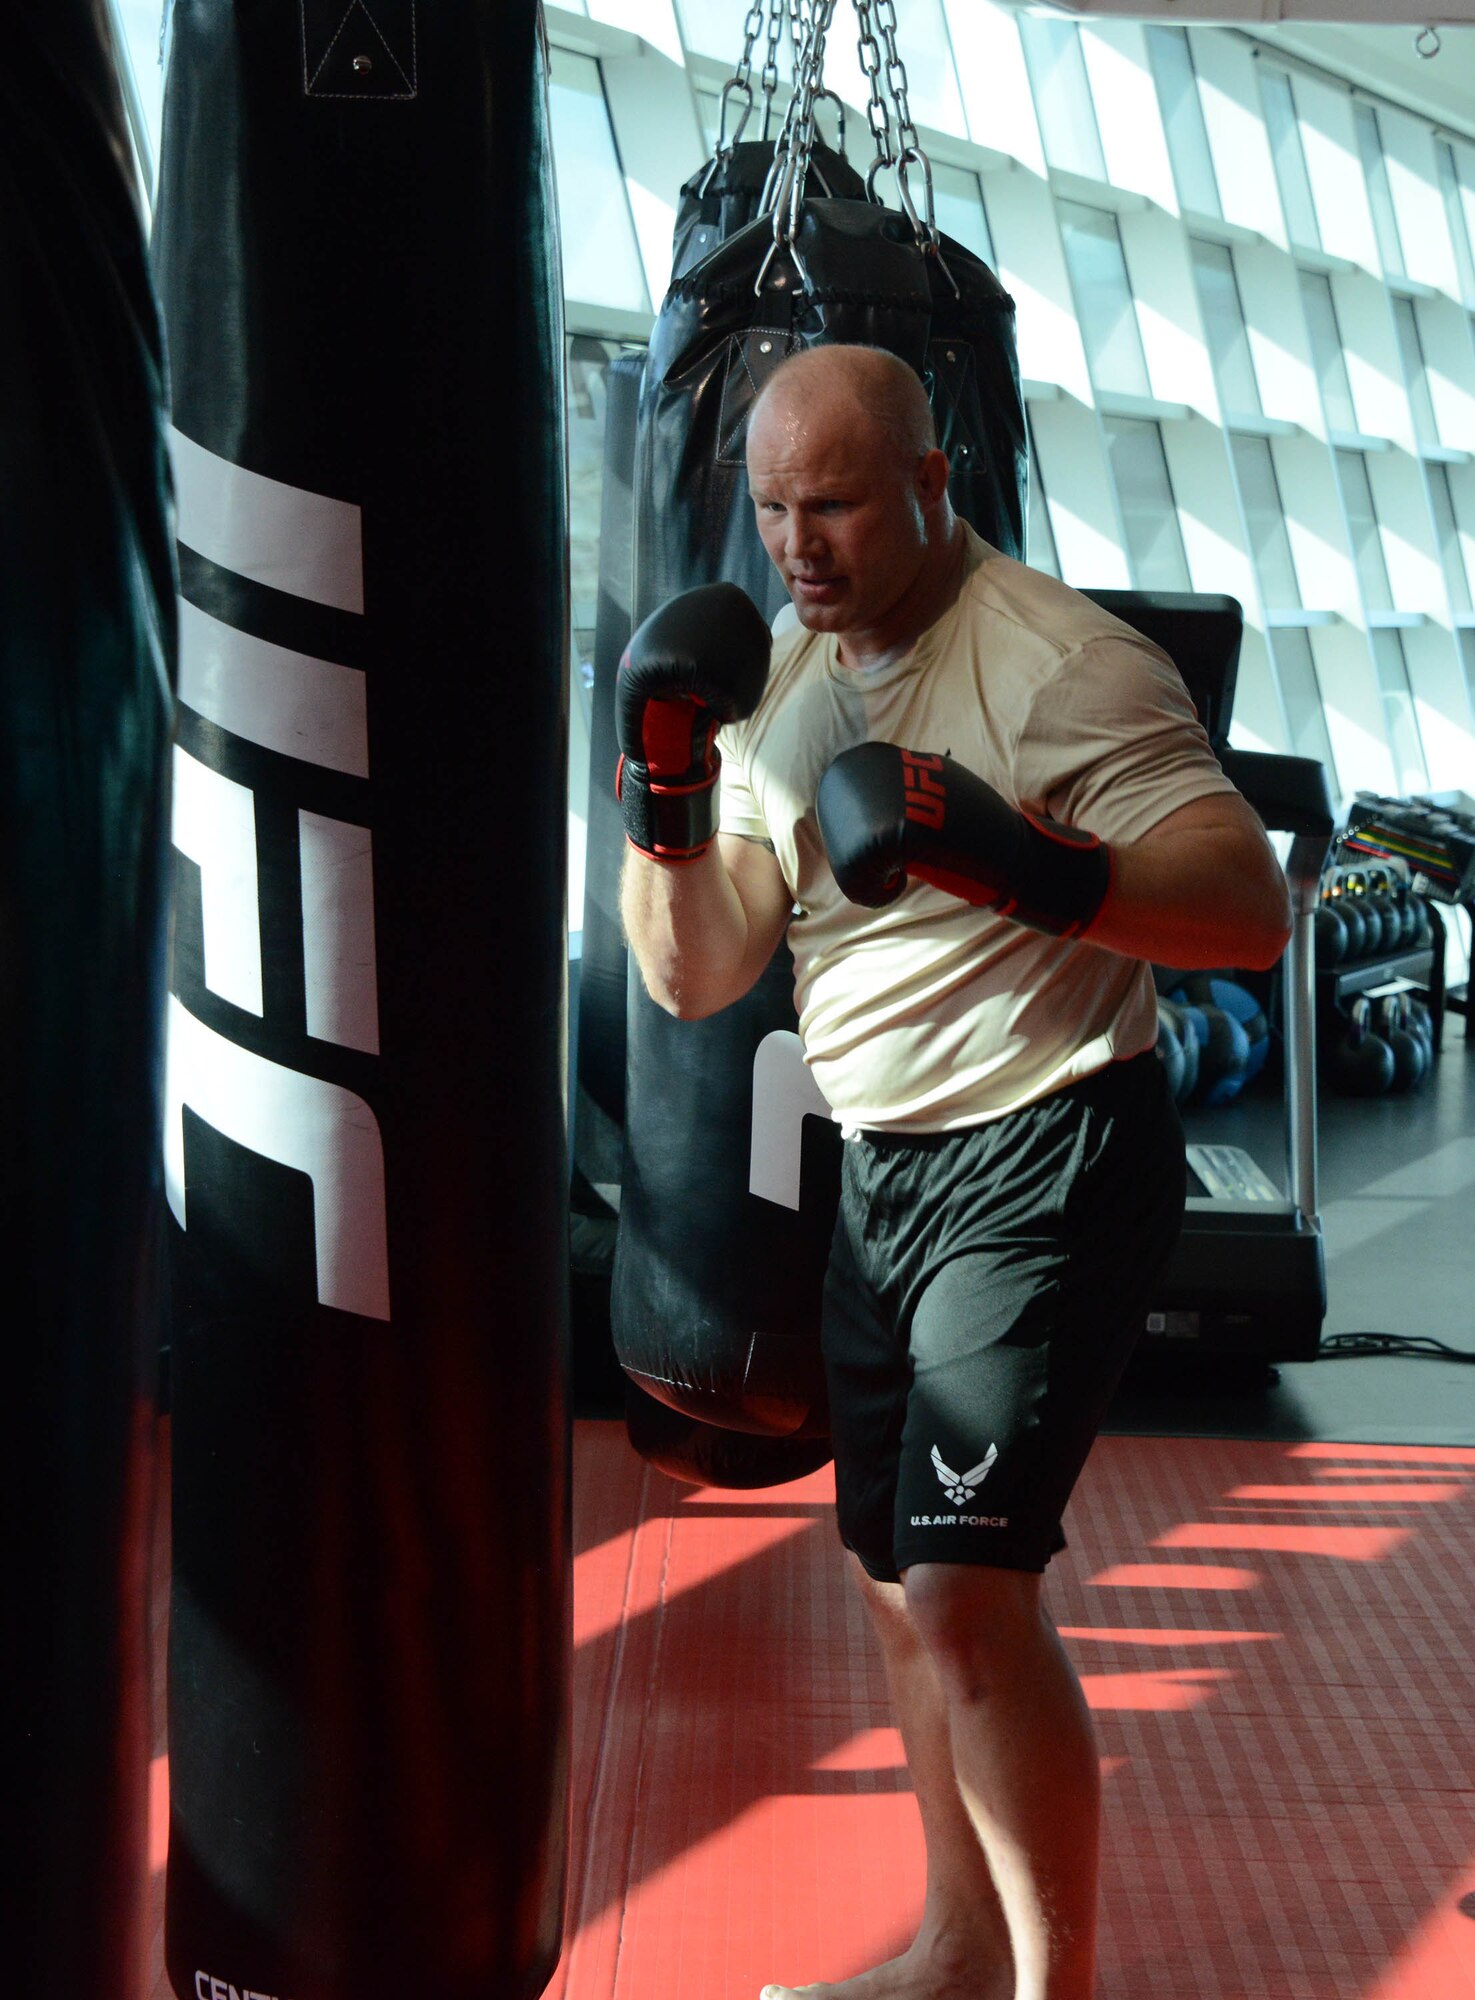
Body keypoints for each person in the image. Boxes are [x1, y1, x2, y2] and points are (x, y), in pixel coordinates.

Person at [617, 343, 1291, 2000]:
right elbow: (699, 977)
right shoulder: (780, 671)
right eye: (772, 507)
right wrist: (667, 794)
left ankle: (1052, 1989)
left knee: (964, 1593)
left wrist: (1015, 856)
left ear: (934, 481)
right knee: (893, 1593)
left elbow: (1244, 908)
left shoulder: (1060, 663)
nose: (797, 544)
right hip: (884, 1174)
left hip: (1048, 1144)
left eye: (835, 501)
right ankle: (954, 1958)